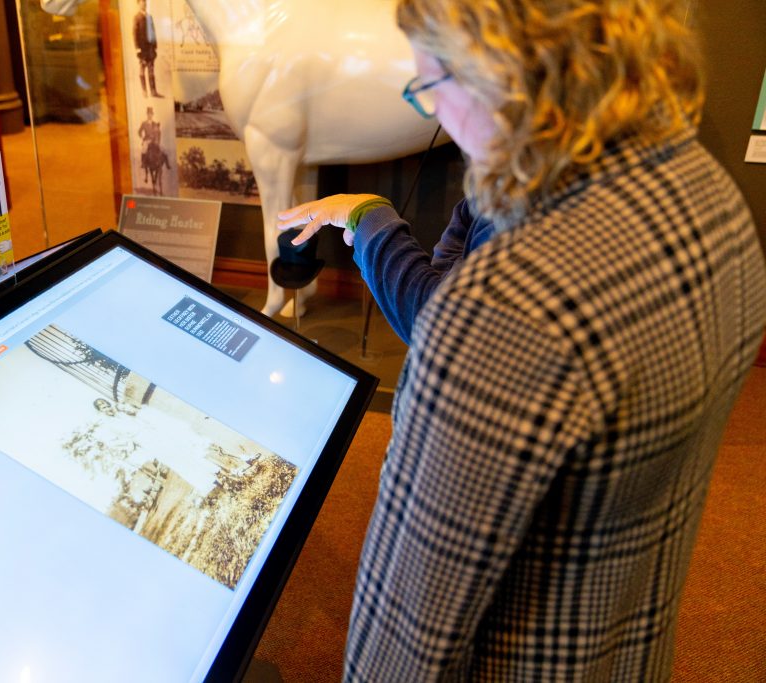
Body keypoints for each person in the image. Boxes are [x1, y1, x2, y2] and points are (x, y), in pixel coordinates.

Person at [278, 0, 766, 679]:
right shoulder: (705, 189)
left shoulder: (506, 308)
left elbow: (407, 635)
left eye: (430, 88)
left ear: (503, 74)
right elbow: (457, 266)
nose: (435, 113)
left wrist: (370, 224)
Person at [133, 0, 162, 98]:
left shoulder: (149, 17)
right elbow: (134, 33)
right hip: (142, 48)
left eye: (145, 2)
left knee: (151, 70)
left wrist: (155, 45)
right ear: (138, 4)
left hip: (150, 48)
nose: (143, 4)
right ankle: (144, 91)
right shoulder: (137, 17)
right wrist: (137, 47)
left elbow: (153, 32)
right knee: (142, 69)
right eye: (141, 2)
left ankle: (153, 92)